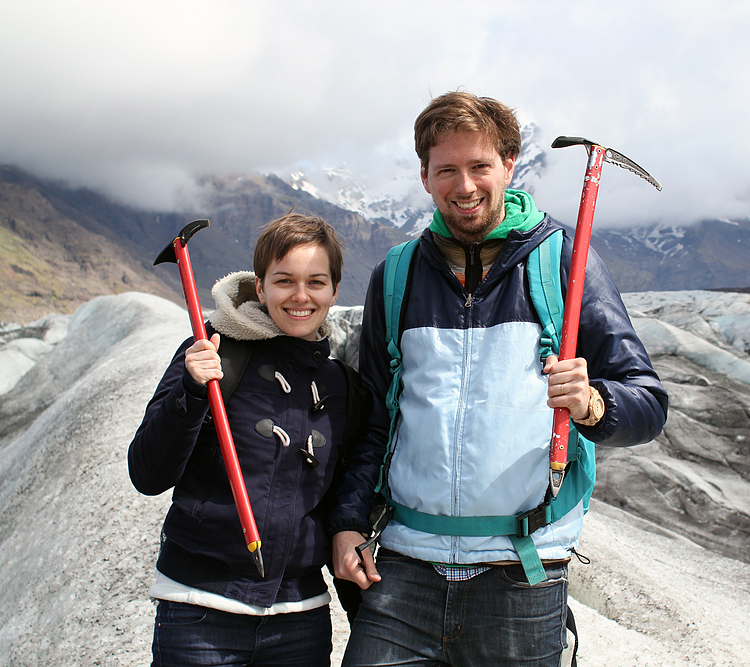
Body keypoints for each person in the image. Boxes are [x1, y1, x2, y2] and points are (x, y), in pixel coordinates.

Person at [327, 91, 670, 666]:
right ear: (424, 175)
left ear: (509, 165)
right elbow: (375, 420)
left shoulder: (561, 261)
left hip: (522, 572)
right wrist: (347, 523)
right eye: (447, 170)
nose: (464, 186)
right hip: (404, 568)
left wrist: (592, 405)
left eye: (480, 166)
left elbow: (647, 403)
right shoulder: (397, 274)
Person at [128, 212, 368, 667]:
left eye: (316, 282)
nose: (301, 296)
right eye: (284, 281)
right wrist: (192, 392)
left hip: (300, 621)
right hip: (200, 614)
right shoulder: (213, 353)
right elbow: (147, 473)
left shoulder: (343, 387)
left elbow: (347, 487)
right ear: (259, 287)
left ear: (335, 291)